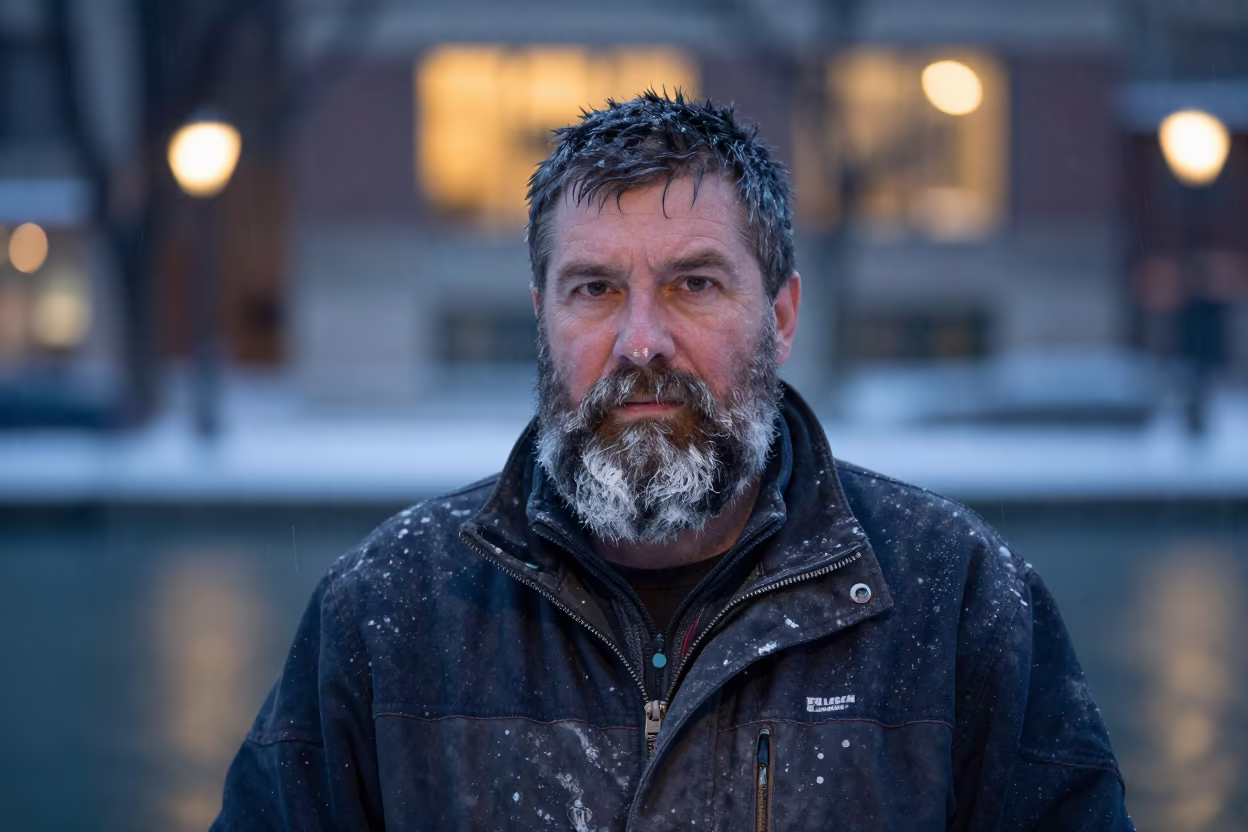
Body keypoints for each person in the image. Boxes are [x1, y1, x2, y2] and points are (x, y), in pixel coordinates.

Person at [213, 92, 1132, 831]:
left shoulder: (959, 600)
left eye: (693, 283)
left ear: (780, 316)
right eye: (595, 289)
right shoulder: (386, 610)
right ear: (542, 317)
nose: (641, 341)